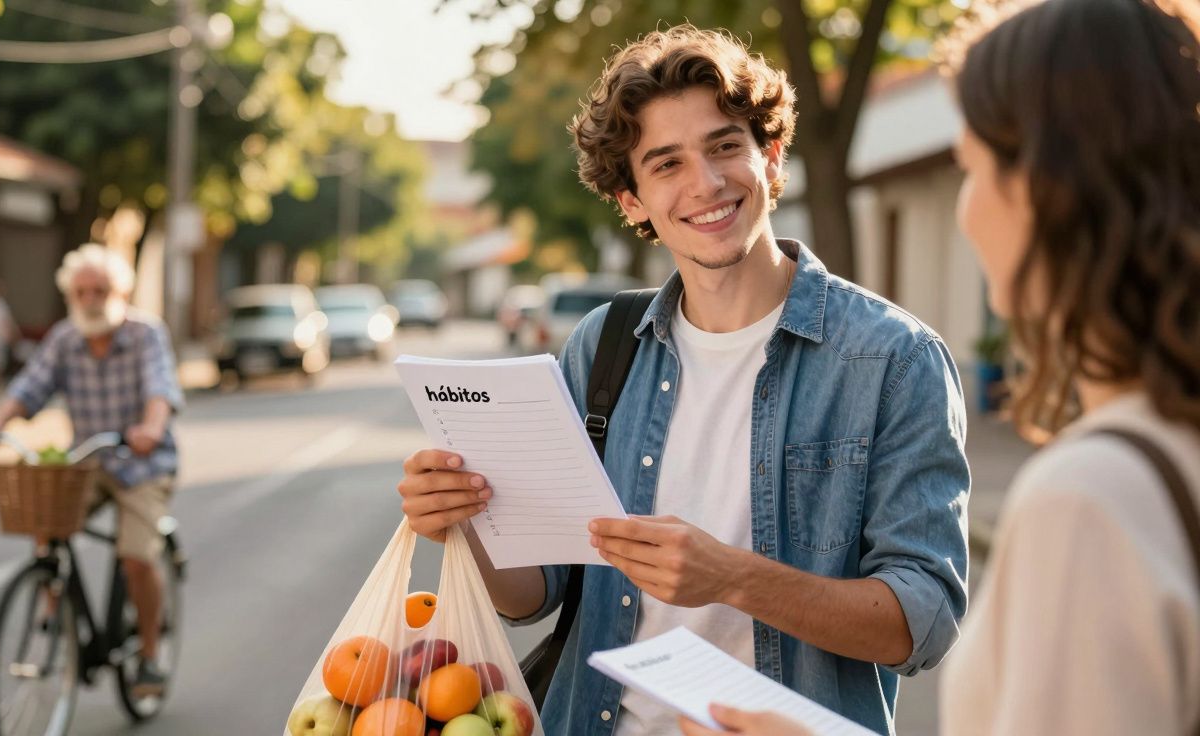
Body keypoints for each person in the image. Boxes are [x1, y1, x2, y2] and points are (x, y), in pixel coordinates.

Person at [397, 25, 970, 735]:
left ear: (771, 154)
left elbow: (924, 620)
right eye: (666, 164)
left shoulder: (895, 360)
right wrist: (466, 519)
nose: (706, 183)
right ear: (632, 199)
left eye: (726, 145)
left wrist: (735, 578)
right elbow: (533, 596)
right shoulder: (602, 348)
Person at [679, 0, 1200, 734]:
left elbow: (921, 610)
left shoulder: (1092, 499)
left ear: (1048, 193)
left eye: (972, 168)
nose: (966, 208)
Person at [0, 243, 184, 698]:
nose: (90, 299)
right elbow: (30, 386)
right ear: (71, 295)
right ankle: (57, 610)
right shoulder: (65, 338)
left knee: (136, 556)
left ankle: (149, 656)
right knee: (43, 517)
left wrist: (150, 426)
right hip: (88, 462)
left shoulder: (146, 334)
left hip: (144, 462)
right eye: (81, 291)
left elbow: (160, 386)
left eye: (100, 290)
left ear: (120, 292)